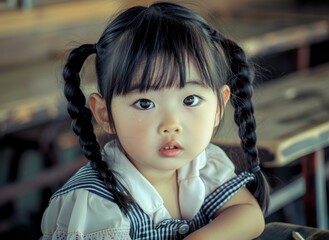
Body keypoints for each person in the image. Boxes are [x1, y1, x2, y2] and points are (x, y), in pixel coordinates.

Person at [41, 1, 270, 239]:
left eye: (190, 100)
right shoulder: (96, 205)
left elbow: (249, 214)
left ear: (218, 107)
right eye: (145, 103)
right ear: (105, 114)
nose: (171, 124)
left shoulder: (203, 166)